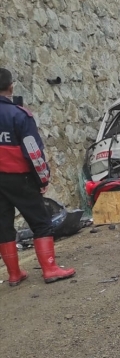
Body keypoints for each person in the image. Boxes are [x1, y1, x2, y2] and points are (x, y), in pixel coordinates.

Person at [0, 68, 75, 286]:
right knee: (41, 222)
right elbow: (33, 153)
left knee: (3, 226)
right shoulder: (19, 115)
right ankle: (50, 268)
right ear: (11, 87)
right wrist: (42, 179)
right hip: (20, 178)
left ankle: (14, 274)